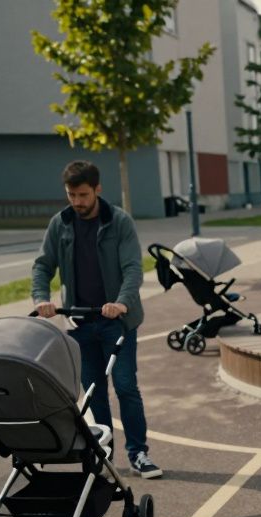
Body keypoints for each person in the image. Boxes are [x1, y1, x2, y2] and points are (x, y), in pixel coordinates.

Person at [31, 160, 162, 479]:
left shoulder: (119, 222)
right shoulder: (60, 224)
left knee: (126, 385)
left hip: (117, 322)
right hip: (78, 322)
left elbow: (133, 268)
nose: (76, 202)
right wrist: (41, 298)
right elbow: (42, 266)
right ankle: (105, 455)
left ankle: (138, 453)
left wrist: (121, 303)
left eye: (83, 195)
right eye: (71, 195)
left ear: (98, 190)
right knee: (92, 391)